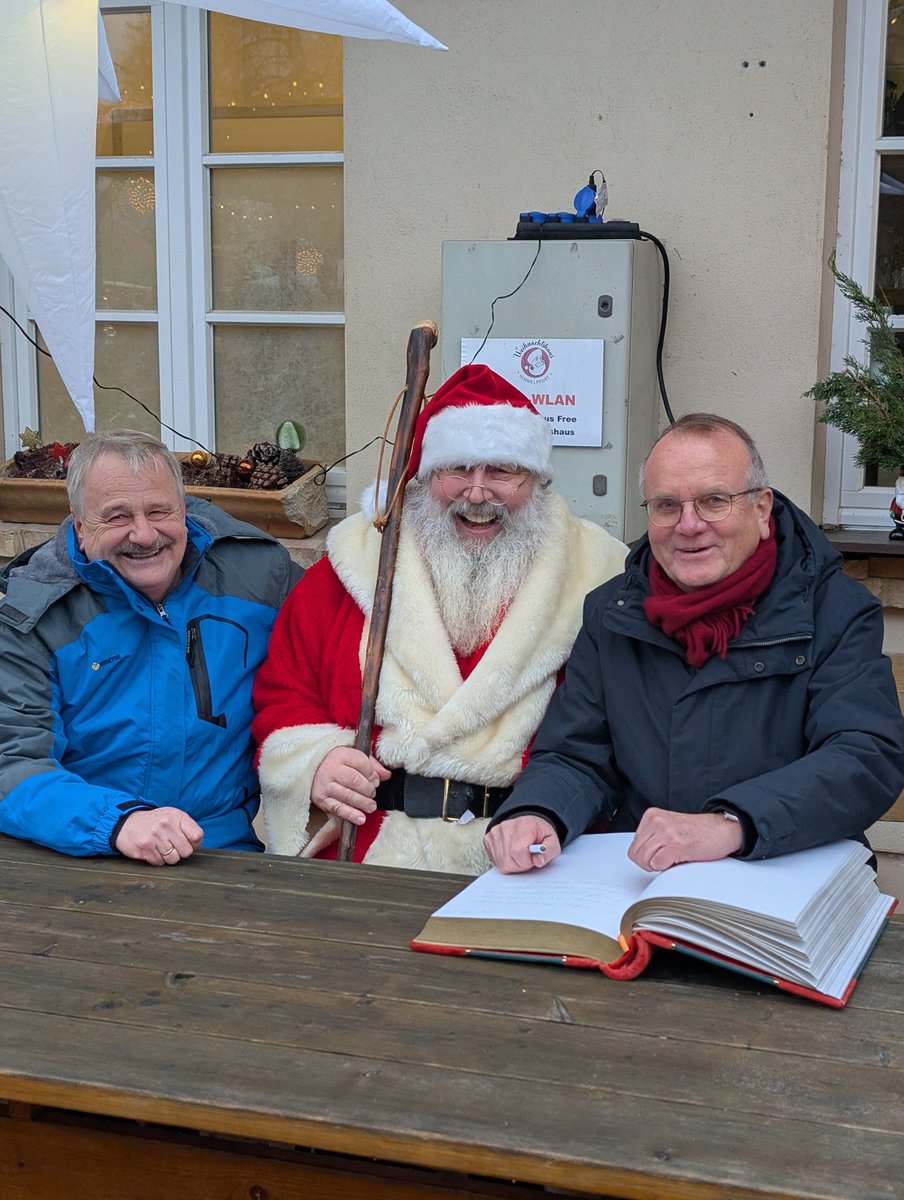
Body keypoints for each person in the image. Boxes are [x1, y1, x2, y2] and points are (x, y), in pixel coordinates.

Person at [485, 413, 904, 874]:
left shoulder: (833, 611)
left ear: (762, 509)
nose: (688, 525)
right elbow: (575, 754)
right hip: (645, 880)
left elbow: (865, 755)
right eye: (667, 505)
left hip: (789, 874)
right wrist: (538, 810)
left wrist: (732, 823)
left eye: (714, 501)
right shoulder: (613, 613)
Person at [252, 363, 627, 873]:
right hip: (371, 853)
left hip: (527, 858)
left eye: (502, 471)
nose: (477, 493)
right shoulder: (354, 566)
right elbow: (283, 695)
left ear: (536, 479)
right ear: (425, 477)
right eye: (457, 470)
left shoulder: (597, 579)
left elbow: (610, 734)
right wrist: (316, 763)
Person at [0, 431, 303, 865]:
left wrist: (323, 752)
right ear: (80, 527)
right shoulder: (31, 620)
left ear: (183, 510)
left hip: (219, 852)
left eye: (159, 511)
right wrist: (118, 822)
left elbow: (334, 659)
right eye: (117, 516)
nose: (143, 535)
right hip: (78, 852)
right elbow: (11, 764)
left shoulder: (260, 575)